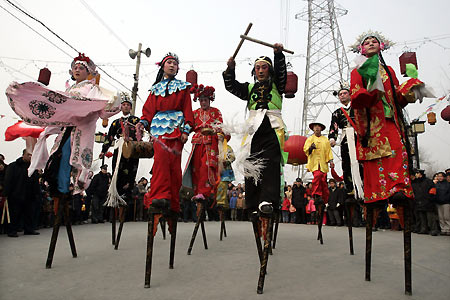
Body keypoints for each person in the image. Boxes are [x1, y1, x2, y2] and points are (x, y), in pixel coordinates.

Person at [223, 43, 288, 217]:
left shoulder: (277, 86)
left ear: (269, 70)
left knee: (270, 164)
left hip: (272, 127)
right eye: (257, 68)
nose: (260, 71)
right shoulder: (250, 89)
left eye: (264, 67)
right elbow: (231, 87)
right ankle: (252, 202)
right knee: (250, 163)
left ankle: (267, 201)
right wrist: (230, 70)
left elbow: (282, 74)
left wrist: (278, 55)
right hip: (253, 130)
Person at [136, 52, 193, 216]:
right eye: (169, 62)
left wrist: (186, 130)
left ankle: (173, 200)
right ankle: (160, 196)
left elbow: (188, 110)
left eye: (175, 63)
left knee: (174, 165)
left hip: (177, 128)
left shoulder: (183, 87)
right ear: (162, 66)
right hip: (159, 128)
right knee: (161, 161)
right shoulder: (155, 89)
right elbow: (148, 110)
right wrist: (143, 122)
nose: (172, 65)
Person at [100, 93, 141, 218]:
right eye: (123, 105)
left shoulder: (136, 121)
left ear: (130, 107)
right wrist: (104, 149)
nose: (126, 107)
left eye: (128, 105)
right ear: (121, 107)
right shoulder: (115, 123)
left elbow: (141, 134)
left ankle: (126, 196)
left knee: (131, 172)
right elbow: (110, 137)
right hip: (119, 148)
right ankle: (117, 195)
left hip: (132, 149)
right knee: (117, 171)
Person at [3, 150, 41, 237]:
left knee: (29, 213)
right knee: (15, 213)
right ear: (23, 155)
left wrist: (37, 193)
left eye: (32, 155)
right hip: (16, 194)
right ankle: (12, 230)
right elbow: (8, 180)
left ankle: (29, 229)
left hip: (29, 195)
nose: (30, 157)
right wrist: (6, 193)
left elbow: (36, 182)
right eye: (28, 155)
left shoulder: (32, 167)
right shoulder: (13, 166)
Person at [303, 122, 334, 205]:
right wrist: (311, 148)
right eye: (315, 127)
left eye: (318, 127)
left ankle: (325, 199)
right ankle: (316, 194)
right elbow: (306, 150)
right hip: (314, 163)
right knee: (317, 176)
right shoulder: (310, 139)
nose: (317, 128)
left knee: (323, 180)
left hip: (323, 163)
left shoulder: (325, 140)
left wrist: (331, 161)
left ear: (321, 129)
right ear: (313, 129)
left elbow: (328, 152)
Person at [411, 169, 438, 235]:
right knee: (422, 217)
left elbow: (433, 190)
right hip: (418, 202)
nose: (416, 175)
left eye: (417, 173)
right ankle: (424, 229)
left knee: (430, 217)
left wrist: (430, 198)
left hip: (428, 202)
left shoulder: (428, 181)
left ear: (420, 174)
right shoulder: (415, 183)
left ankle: (433, 229)